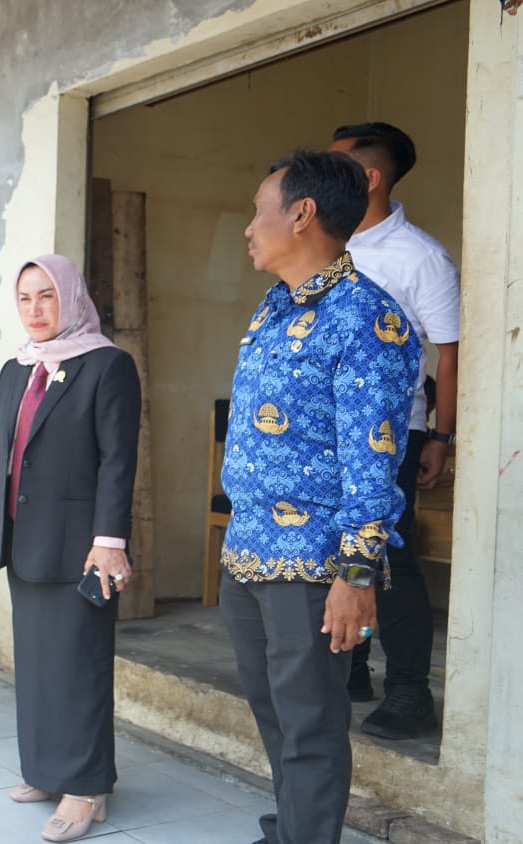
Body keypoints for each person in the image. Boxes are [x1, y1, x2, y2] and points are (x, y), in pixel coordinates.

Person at [222, 150, 420, 844]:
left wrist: (356, 577)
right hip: (249, 550)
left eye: (259, 211)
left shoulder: (366, 318)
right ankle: (292, 831)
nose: (250, 226)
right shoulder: (274, 306)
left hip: (312, 564)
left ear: (302, 214)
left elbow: (374, 461)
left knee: (310, 723)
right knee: (276, 715)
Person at [0, 255, 140, 842]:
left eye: (47, 296)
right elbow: (1, 451)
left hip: (82, 548)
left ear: (71, 297)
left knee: (79, 667)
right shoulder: (16, 369)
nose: (36, 309)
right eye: (25, 298)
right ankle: (46, 770)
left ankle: (86, 786)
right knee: (39, 667)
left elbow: (118, 460)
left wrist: (110, 542)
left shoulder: (107, 365)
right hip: (26, 541)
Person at [329, 122, 458, 739]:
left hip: (390, 436)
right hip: (321, 433)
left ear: (370, 177)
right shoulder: (326, 244)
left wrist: (440, 437)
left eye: (336, 166)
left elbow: (450, 355)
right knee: (333, 551)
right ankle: (349, 667)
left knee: (387, 557)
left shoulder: (420, 258)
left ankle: (409, 691)